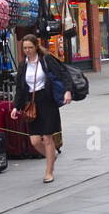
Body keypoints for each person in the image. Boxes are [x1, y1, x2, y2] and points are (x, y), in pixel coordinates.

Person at [11, 34, 73, 183]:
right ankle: (52, 156)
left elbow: (63, 73)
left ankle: (49, 171)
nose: (28, 50)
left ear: (36, 46)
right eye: (25, 48)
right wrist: (16, 107)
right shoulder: (23, 64)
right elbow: (20, 88)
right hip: (31, 103)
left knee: (47, 138)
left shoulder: (46, 60)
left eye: (30, 47)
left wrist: (68, 90)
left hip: (47, 101)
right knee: (34, 141)